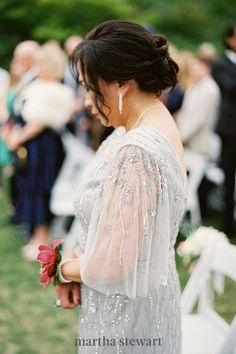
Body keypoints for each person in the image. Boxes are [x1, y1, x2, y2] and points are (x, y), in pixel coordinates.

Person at [55, 20, 187, 354]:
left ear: (122, 84)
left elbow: (113, 264)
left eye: (90, 87)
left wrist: (62, 268)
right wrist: (80, 260)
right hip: (133, 303)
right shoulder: (142, 125)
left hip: (127, 323)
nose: (86, 100)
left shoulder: (137, 151)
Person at [211, 23, 236, 237]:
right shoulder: (219, 63)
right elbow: (230, 88)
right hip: (230, 131)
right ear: (229, 39)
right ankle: (228, 227)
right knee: (229, 181)